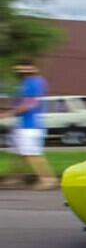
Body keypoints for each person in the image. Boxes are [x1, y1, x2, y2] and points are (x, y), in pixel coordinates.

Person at [0, 62, 56, 190]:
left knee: (31, 154)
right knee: (18, 152)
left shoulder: (34, 83)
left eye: (25, 67)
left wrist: (7, 114)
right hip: (23, 124)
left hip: (30, 126)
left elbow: (29, 104)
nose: (21, 69)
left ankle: (48, 179)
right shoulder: (26, 82)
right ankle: (15, 178)